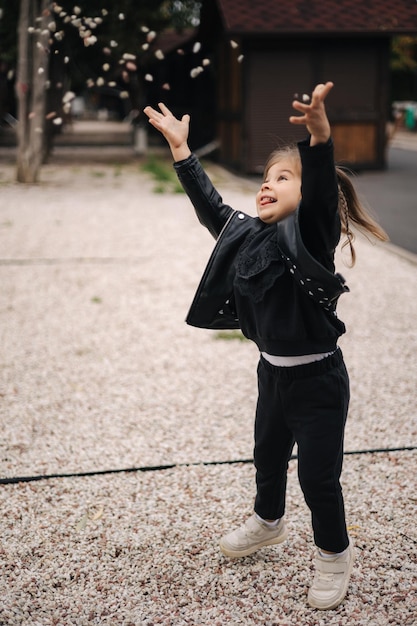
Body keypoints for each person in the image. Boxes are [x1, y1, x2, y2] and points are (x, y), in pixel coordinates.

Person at [144, 82, 388, 611]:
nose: (267, 185)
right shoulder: (247, 233)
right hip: (272, 375)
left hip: (318, 379)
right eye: (265, 178)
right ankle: (268, 521)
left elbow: (321, 191)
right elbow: (211, 207)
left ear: (305, 195)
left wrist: (320, 138)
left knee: (317, 477)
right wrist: (183, 152)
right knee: (267, 455)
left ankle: (333, 554)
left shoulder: (311, 235)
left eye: (283, 178)